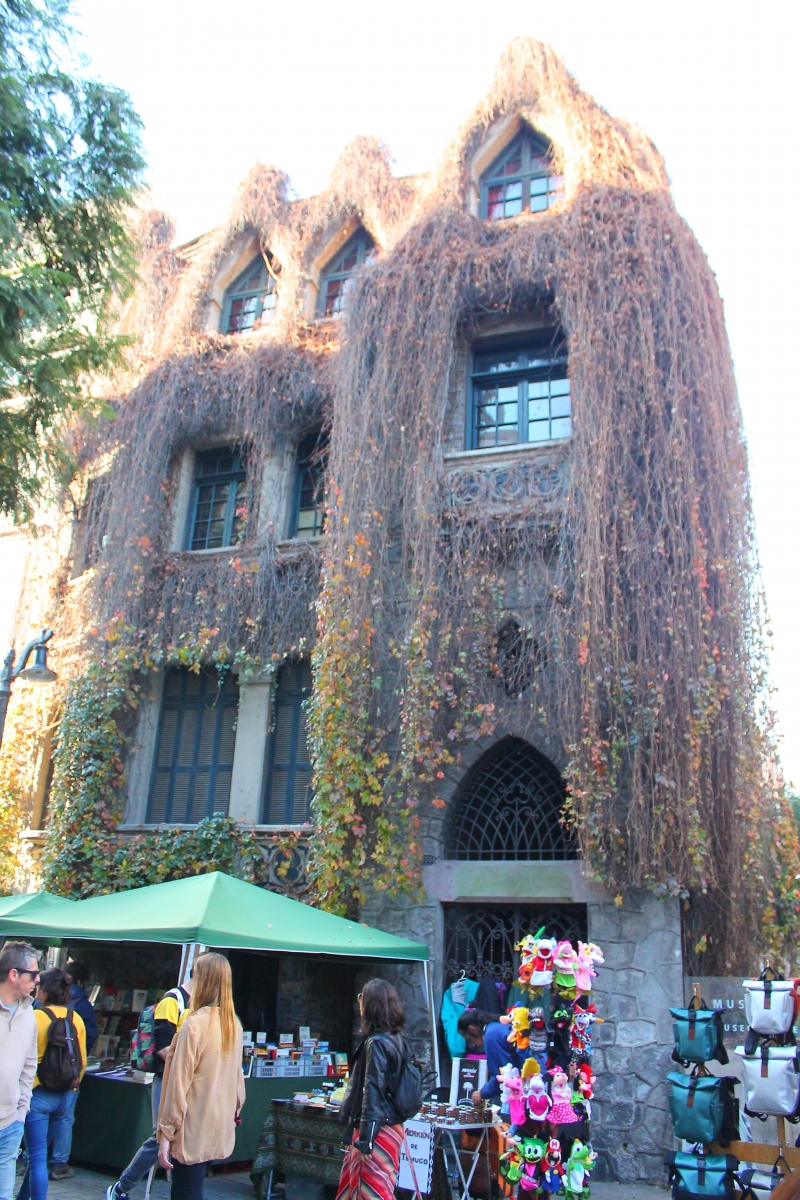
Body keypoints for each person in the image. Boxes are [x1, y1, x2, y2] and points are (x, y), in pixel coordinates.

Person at [157, 953, 244, 1200]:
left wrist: (166, 1133)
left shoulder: (194, 1025)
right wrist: (234, 1109)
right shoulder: (233, 1025)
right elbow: (237, 1080)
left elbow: (178, 1085)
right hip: (216, 1121)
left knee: (186, 1193)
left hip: (191, 1125)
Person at [106, 973, 193, 1200]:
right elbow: (163, 1048)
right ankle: (121, 1187)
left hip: (189, 1082)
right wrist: (189, 1068)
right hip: (168, 1079)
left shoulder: (204, 1003)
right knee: (159, 1137)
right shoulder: (173, 1001)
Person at [16, 968, 87, 1200]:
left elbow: (23, 1057)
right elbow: (82, 1061)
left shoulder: (34, 1017)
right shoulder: (75, 1018)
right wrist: (71, 1088)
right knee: (41, 1156)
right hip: (64, 1096)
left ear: (44, 991)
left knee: (35, 1158)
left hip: (38, 1094)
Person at [336, 980, 407, 1200]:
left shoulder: (376, 1043)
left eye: (362, 997)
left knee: (369, 1190)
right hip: (391, 1126)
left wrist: (365, 1141)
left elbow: (373, 1092)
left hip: (377, 1130)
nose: (359, 1003)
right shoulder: (397, 1040)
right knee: (377, 1186)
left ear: (371, 1005)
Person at [46, 962, 97, 1181]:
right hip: (70, 1074)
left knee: (37, 1116)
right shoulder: (81, 1008)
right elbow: (88, 1041)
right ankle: (59, 1164)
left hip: (43, 1074)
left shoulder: (39, 1011)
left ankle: (30, 1159)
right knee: (65, 1119)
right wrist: (77, 1073)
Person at [0, 943, 39, 1200]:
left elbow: (29, 1066)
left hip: (10, 1122)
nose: (38, 979)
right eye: (33, 974)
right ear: (13, 974)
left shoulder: (29, 1014)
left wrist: (21, 1113)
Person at [457, 1008, 529, 1109]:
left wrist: (482, 1093)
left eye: (469, 1040)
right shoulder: (497, 1026)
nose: (473, 1044)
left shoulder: (491, 1036)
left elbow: (502, 1075)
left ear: (472, 1029)